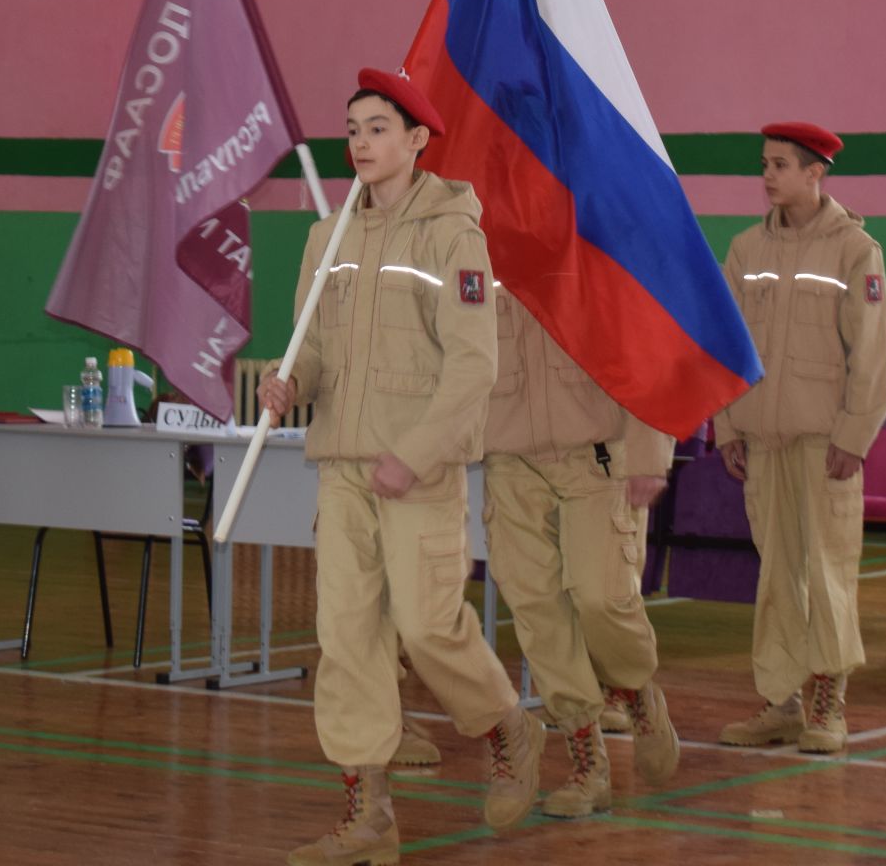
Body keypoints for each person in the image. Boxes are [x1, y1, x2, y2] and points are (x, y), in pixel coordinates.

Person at [258, 69, 541, 866]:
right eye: (352, 129)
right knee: (346, 638)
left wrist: (412, 455)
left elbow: (473, 366)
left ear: (417, 141)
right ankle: (369, 812)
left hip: (417, 469)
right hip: (342, 469)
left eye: (378, 128)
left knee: (426, 625)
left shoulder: (454, 236)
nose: (360, 143)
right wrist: (294, 382)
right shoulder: (327, 237)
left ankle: (509, 727)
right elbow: (311, 344)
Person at [712, 122, 886, 753]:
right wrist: (728, 423)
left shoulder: (854, 250)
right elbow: (729, 346)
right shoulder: (744, 250)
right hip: (765, 440)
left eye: (780, 165)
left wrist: (855, 434)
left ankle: (827, 702)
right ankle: (780, 701)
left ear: (816, 172)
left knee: (827, 572)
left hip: (825, 445)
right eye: (764, 164)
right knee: (777, 576)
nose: (767, 175)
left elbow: (871, 354)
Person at [483, 289, 681, 817]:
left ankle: (635, 687)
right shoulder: (470, 243)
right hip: (508, 462)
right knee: (539, 616)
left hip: (594, 457)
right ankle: (586, 758)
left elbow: (650, 353)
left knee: (601, 599)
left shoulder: (593, 245)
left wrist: (649, 454)